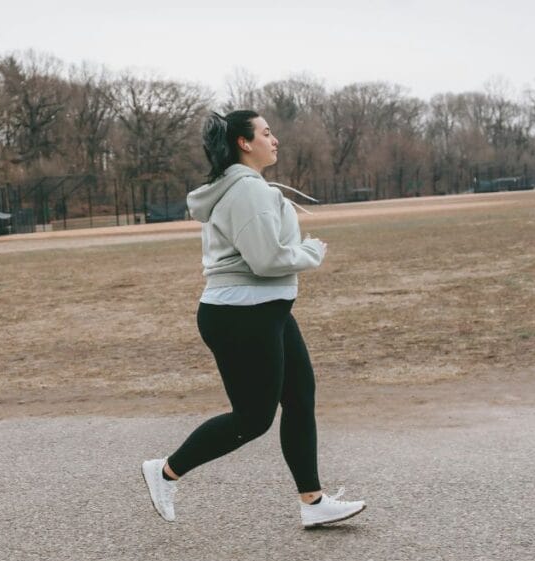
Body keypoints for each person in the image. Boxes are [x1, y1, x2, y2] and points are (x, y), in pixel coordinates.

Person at [141, 110, 366, 528]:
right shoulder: (246, 190)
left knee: (300, 397)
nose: (274, 139)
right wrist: (311, 252)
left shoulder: (245, 186)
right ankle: (166, 471)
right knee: (253, 419)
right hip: (242, 314)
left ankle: (312, 503)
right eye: (266, 133)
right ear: (244, 143)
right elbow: (265, 260)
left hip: (264, 310)